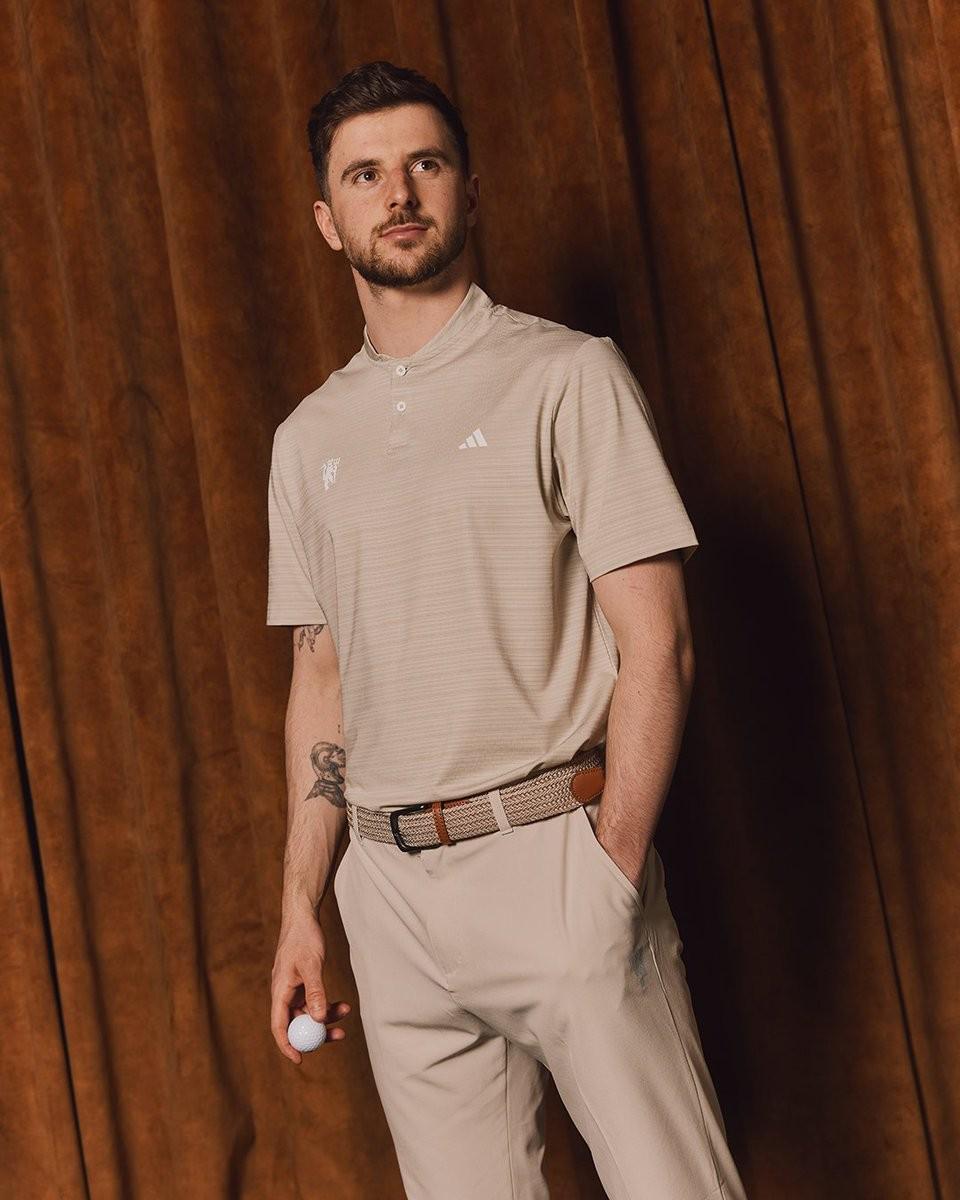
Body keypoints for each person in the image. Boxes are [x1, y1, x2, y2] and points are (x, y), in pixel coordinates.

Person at [266, 59, 748, 1200]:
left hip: (552, 853)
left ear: (469, 190)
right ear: (328, 220)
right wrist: (302, 905)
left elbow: (660, 646)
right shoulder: (305, 439)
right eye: (366, 175)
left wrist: (610, 868)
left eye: (424, 164)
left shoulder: (566, 375)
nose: (399, 193)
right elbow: (320, 681)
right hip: (387, 895)